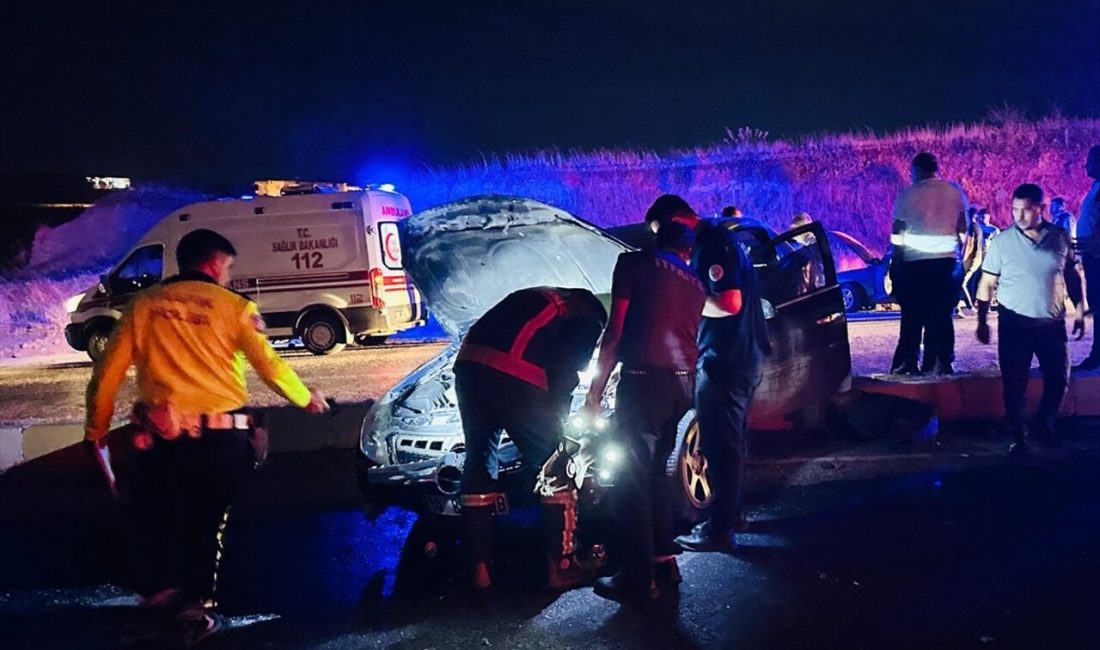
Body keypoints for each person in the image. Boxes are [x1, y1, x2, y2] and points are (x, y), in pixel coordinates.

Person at [85, 228, 329, 646]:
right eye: (229, 267)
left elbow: (107, 372)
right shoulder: (234, 308)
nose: (230, 276)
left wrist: (97, 429)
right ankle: (197, 606)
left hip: (162, 438)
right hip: (220, 441)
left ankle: (161, 592)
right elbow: (269, 365)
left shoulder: (144, 305)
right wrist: (307, 399)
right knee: (208, 519)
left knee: (157, 513)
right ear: (215, 263)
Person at [640, 195, 771, 553]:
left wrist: (684, 302)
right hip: (741, 355)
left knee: (719, 444)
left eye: (663, 232)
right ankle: (732, 514)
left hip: (726, 359)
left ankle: (720, 529)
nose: (665, 244)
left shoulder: (712, 243)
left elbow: (729, 303)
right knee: (731, 441)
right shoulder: (717, 239)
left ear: (678, 220)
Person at [583, 220, 705, 603]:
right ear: (685, 250)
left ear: (657, 238)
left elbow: (615, 332)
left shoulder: (633, 264)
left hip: (644, 379)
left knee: (634, 477)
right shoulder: (696, 282)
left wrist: (596, 390)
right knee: (655, 475)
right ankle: (665, 560)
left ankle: (637, 577)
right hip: (683, 383)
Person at [455, 286, 607, 591]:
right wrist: (560, 428)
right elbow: (564, 374)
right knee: (557, 466)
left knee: (480, 460)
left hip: (469, 366)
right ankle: (563, 568)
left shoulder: (543, 298)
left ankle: (481, 569)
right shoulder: (588, 317)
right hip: (515, 371)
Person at [975, 184, 1086, 456]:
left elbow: (1071, 275)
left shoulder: (1059, 238)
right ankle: (1019, 437)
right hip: (1015, 325)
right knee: (1014, 384)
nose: (1019, 215)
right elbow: (987, 283)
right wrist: (981, 320)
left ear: (1041, 209)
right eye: (1015, 210)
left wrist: (1081, 310)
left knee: (1059, 379)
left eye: (1026, 210)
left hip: (1051, 324)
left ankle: (1043, 424)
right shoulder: (1002, 243)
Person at [888, 152, 970, 375]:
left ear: (916, 171)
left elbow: (897, 234)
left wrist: (897, 260)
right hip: (946, 264)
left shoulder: (906, 195)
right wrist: (957, 252)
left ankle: (908, 362)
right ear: (936, 168)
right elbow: (963, 228)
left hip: (914, 265)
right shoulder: (954, 192)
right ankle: (941, 362)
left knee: (913, 316)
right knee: (943, 316)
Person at [1073, 145, 1100, 371]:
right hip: (1092, 254)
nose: (1086, 165)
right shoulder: (1096, 187)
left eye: (1091, 160)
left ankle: (1097, 355)